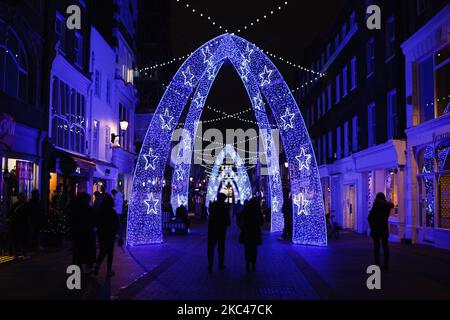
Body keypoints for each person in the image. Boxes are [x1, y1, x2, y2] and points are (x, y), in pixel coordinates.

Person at [94, 194, 119, 277]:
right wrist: (118, 233)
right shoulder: (112, 212)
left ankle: (97, 266)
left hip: (102, 234)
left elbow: (96, 222)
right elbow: (117, 224)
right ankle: (108, 270)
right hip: (110, 234)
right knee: (110, 253)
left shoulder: (100, 211)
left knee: (102, 251)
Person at [70, 193, 96, 272]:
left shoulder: (76, 208)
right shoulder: (88, 209)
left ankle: (78, 266)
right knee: (88, 250)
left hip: (78, 232)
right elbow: (92, 220)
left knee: (78, 250)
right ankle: (88, 266)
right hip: (87, 232)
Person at [368, 192, 394, 271]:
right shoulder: (387, 206)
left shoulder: (376, 205)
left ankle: (377, 264)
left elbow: (370, 217)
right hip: (384, 228)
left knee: (376, 247)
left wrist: (371, 226)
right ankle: (385, 265)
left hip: (376, 229)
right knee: (385, 247)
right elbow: (391, 205)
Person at [238, 197, 264, 272]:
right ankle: (253, 264)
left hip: (247, 231)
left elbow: (239, 217)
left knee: (247, 248)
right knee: (254, 248)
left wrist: (241, 226)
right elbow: (261, 221)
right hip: (255, 231)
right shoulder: (258, 210)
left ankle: (247, 263)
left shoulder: (247, 208)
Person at [207, 193, 230, 273]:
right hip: (221, 229)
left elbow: (210, 214)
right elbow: (227, 218)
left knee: (211, 247)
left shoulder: (213, 205)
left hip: (212, 228)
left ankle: (210, 265)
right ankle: (220, 264)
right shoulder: (224, 206)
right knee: (221, 247)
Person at [7, 192, 29, 258]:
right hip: (22, 224)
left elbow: (10, 213)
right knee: (23, 240)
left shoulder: (15, 205)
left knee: (16, 239)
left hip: (16, 224)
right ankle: (23, 254)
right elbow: (28, 215)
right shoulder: (26, 205)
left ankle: (16, 254)